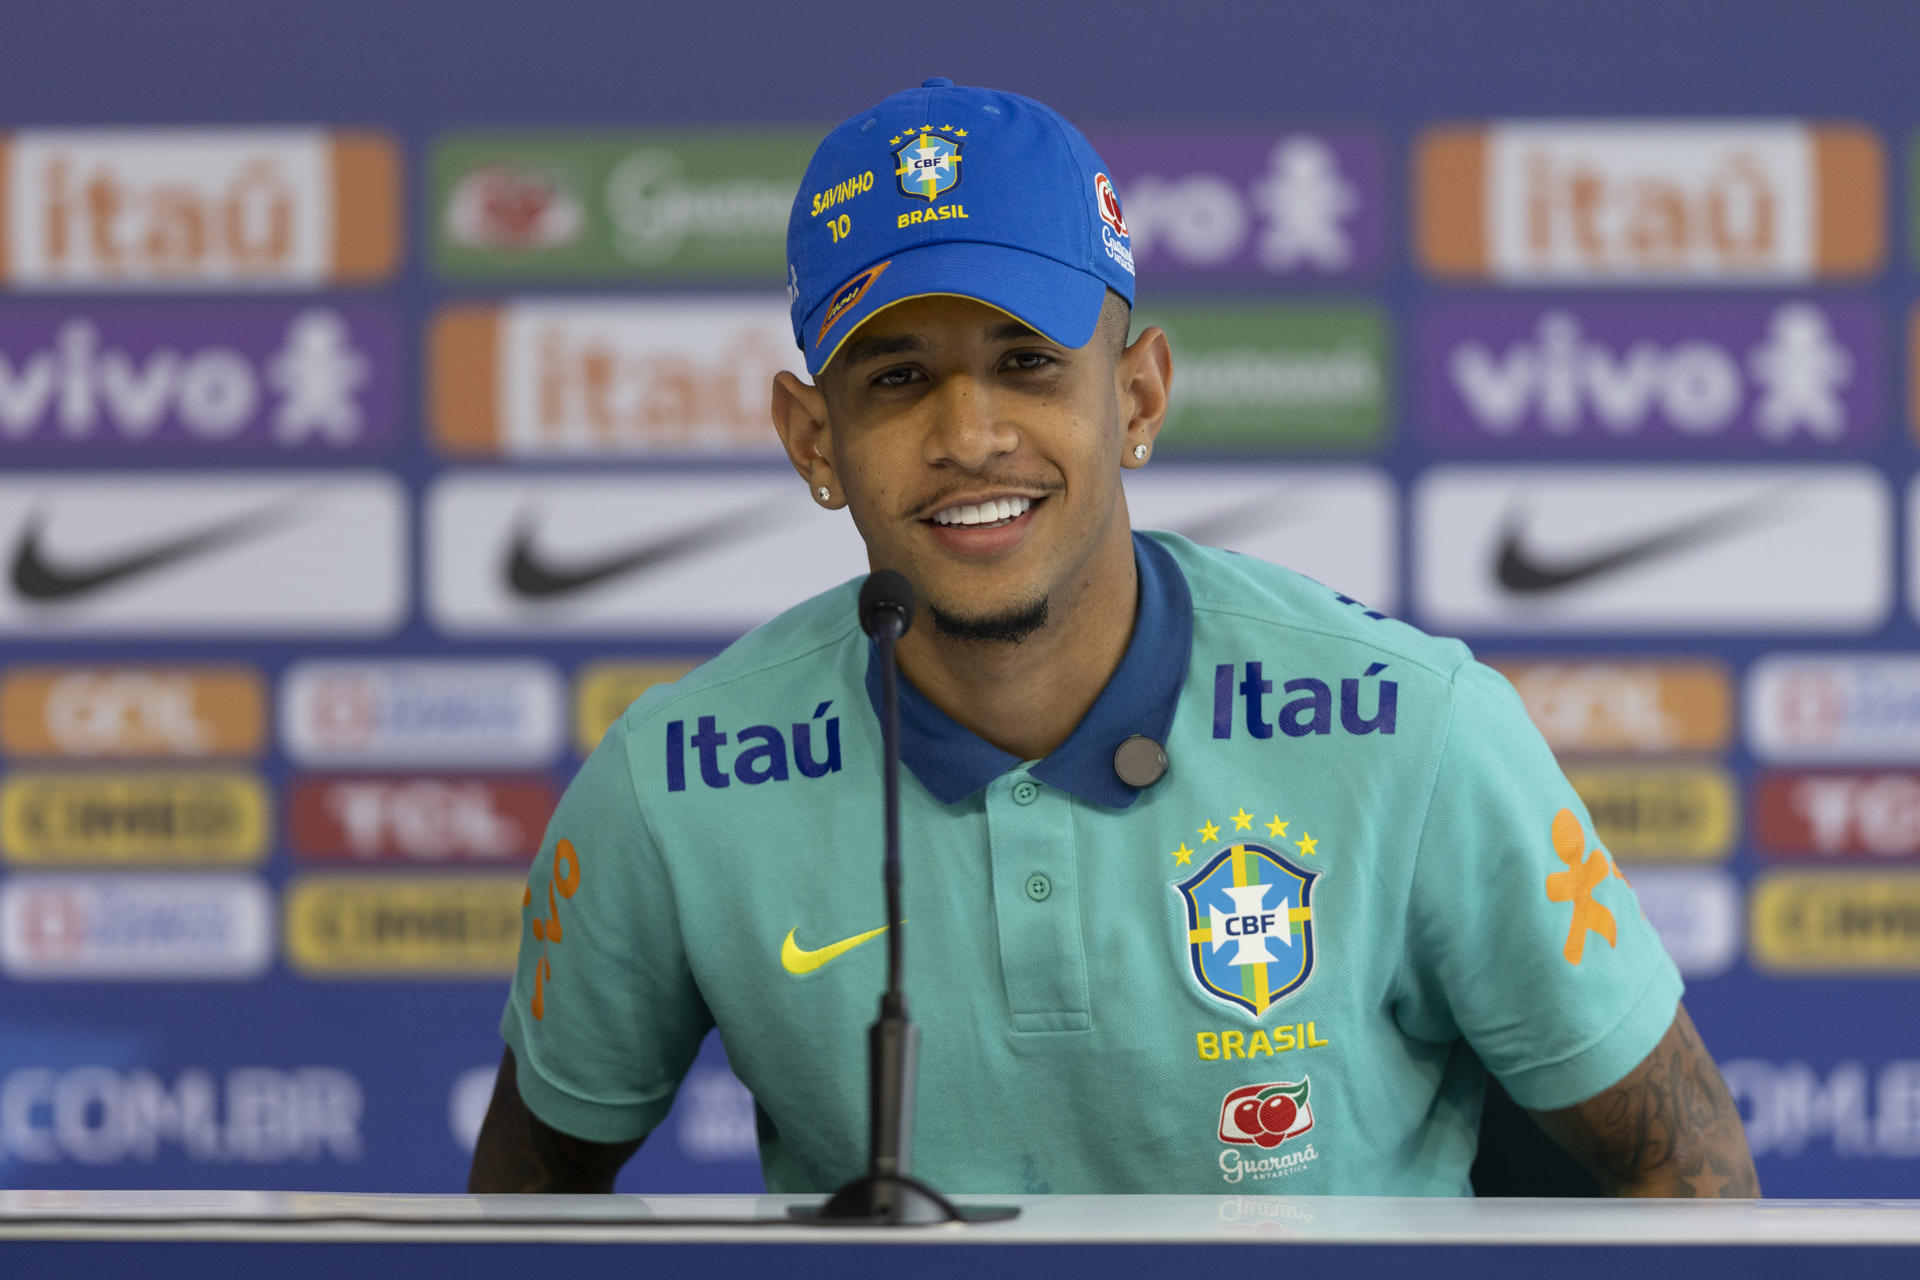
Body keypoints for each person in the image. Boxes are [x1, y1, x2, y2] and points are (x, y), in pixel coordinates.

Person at [468, 78, 1758, 1197]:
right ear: (815, 441)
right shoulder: (671, 783)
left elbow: (1686, 1168)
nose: (970, 434)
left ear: (1136, 394)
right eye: (898, 377)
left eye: (1027, 361)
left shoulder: (1415, 728)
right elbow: (517, 1218)